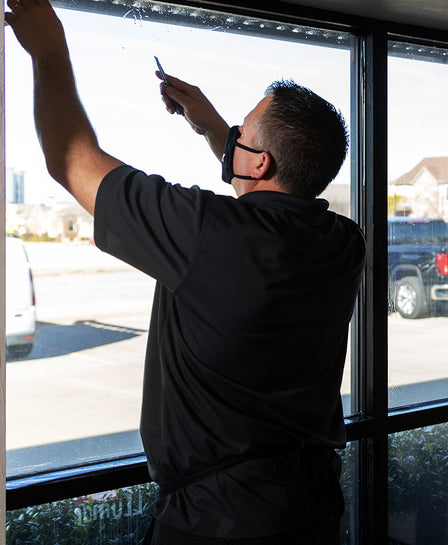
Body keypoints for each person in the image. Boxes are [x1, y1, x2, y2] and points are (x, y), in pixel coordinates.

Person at [5, 1, 366, 543]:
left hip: (218, 520)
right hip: (310, 504)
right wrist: (217, 129)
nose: (235, 136)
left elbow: (72, 160)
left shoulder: (208, 233)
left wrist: (47, 47)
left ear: (260, 162)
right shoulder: (342, 241)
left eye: (244, 132)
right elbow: (267, 182)